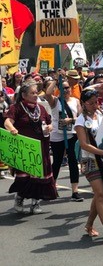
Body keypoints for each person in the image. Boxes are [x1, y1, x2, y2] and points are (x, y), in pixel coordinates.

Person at [4, 80, 58, 214]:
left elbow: (50, 123)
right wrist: (12, 129)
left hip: (41, 148)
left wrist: (49, 127)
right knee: (24, 178)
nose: (35, 95)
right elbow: (7, 122)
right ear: (24, 95)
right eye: (32, 93)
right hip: (25, 150)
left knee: (39, 178)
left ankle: (35, 203)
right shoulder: (17, 108)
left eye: (36, 92)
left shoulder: (41, 108)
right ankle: (19, 198)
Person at [74, 89, 103, 243]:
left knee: (100, 194)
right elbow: (84, 145)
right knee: (101, 194)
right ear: (83, 104)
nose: (94, 105)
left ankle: (89, 224)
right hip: (90, 160)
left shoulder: (102, 115)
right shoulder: (80, 121)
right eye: (90, 103)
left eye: (96, 102)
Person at [44, 79, 83, 201]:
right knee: (57, 161)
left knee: (73, 161)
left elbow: (80, 117)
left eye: (67, 87)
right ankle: (51, 187)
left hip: (72, 134)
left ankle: (75, 191)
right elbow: (47, 93)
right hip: (57, 135)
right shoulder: (55, 101)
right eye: (63, 87)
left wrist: (70, 120)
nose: (65, 90)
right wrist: (56, 80)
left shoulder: (76, 101)